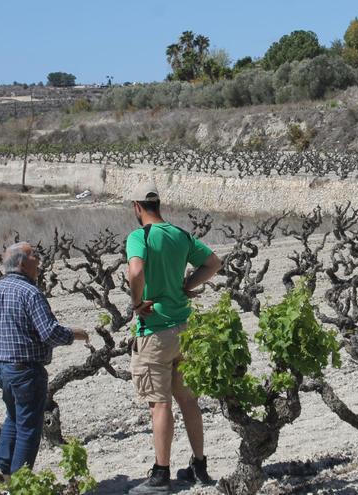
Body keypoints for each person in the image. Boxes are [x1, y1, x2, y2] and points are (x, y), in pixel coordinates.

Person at [126, 183, 222, 494]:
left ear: (137, 207)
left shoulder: (140, 237)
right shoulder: (180, 235)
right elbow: (214, 263)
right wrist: (185, 285)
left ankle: (160, 474)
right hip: (185, 327)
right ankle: (199, 465)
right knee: (189, 399)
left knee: (160, 404)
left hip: (155, 332)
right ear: (157, 205)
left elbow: (136, 270)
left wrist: (137, 302)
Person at [0, 242, 89, 479]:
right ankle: (19, 482)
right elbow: (49, 332)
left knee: (14, 416)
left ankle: (1, 467)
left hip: (2, 368)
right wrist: (75, 334)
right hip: (27, 371)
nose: (38, 260)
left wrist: (7, 347)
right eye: (34, 256)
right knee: (29, 427)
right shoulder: (30, 292)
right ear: (22, 263)